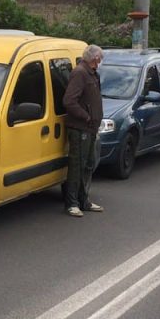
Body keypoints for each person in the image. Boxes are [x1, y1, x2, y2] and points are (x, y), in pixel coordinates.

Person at [63, 45, 104, 217]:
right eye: (100, 58)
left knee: (88, 164)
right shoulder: (80, 73)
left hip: (91, 128)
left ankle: (83, 200)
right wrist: (86, 116)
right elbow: (69, 101)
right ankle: (72, 203)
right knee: (77, 166)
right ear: (95, 59)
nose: (101, 61)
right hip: (80, 129)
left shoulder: (93, 74)